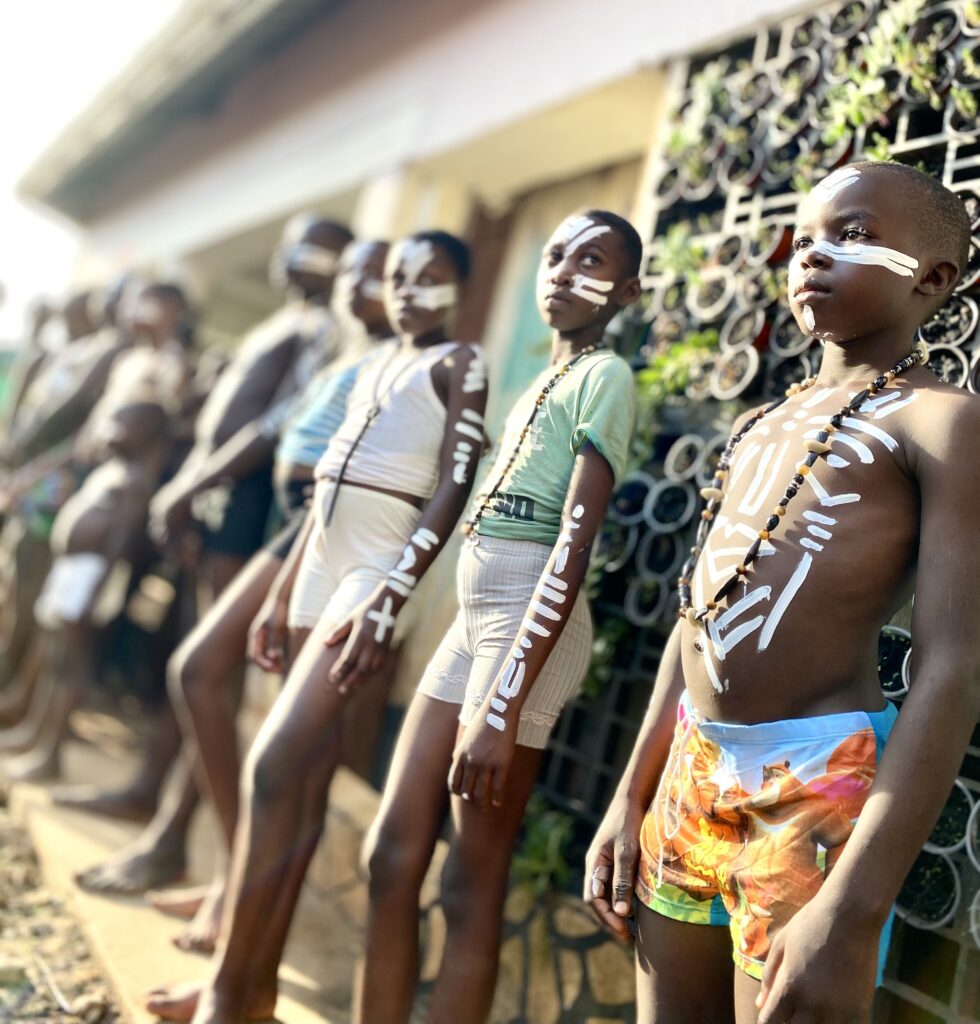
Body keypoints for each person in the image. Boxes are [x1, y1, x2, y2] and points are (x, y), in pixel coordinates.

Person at [585, 161, 980, 1024]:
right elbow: (697, 618)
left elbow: (953, 667)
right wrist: (631, 793)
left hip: (814, 784)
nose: (813, 255)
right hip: (690, 770)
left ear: (936, 277)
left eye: (855, 235)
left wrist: (854, 906)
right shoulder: (757, 424)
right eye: (804, 240)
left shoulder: (941, 421)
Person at [152, 228, 486, 1024]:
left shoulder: (459, 364)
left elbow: (455, 485)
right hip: (317, 571)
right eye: (399, 276)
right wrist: (275, 598)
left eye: (430, 276)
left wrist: (392, 593)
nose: (408, 289)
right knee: (292, 788)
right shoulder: (374, 364)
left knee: (272, 765)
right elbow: (324, 488)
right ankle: (248, 987)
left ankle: (232, 996)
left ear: (460, 291)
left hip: (369, 577)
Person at [356, 209, 640, 1024]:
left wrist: (502, 707)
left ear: (625, 290)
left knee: (466, 881)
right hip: (473, 620)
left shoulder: (604, 377)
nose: (562, 271)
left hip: (528, 630)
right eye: (554, 255)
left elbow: (571, 548)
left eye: (590, 261)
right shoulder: (537, 385)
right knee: (389, 855)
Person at [71, 215, 352, 896]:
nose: (299, 257)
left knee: (208, 677)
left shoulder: (326, 332)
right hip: (216, 499)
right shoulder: (285, 322)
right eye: (297, 244)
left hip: (248, 500)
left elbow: (276, 420)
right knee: (190, 666)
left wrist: (195, 482)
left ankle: (185, 844)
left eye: (318, 247)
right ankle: (154, 807)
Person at [132, 240, 393, 957]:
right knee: (218, 683)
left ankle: (241, 913)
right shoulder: (342, 356)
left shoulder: (397, 365)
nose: (359, 283)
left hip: (327, 536)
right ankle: (229, 879)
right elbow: (278, 426)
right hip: (293, 528)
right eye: (355, 272)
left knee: (257, 718)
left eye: (381, 272)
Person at [1, 398, 171, 781]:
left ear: (146, 433)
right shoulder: (112, 468)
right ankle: (35, 736)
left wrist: (96, 588)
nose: (110, 431)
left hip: (90, 578)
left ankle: (50, 754)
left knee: (71, 667)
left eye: (121, 424)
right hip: (72, 572)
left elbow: (123, 538)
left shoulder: (136, 478)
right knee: (54, 660)